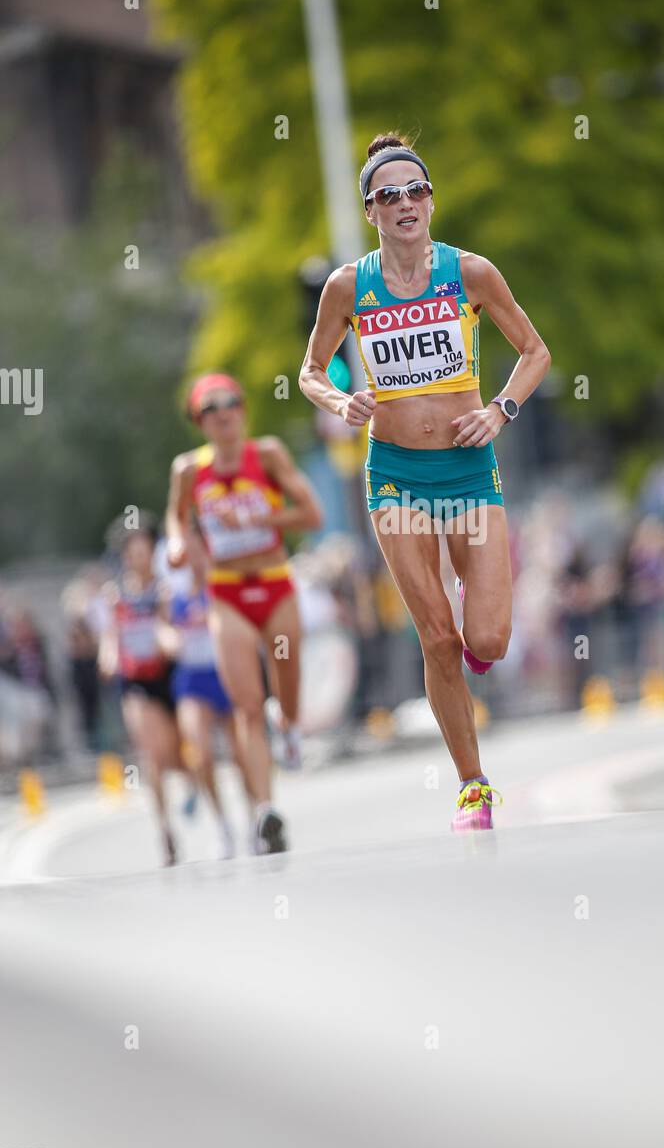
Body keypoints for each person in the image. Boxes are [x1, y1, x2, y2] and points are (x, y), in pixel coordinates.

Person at [299, 132, 550, 831]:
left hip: (470, 470)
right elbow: (310, 371)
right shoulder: (349, 287)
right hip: (397, 476)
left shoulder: (471, 273)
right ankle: (473, 786)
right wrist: (340, 401)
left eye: (416, 190)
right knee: (437, 638)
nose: (406, 202)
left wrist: (500, 410)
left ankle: (478, 611)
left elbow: (535, 352)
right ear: (371, 211)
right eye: (389, 195)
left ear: (431, 200)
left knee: (488, 641)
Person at [165, 373, 323, 855]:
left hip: (274, 583)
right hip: (227, 591)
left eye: (230, 402)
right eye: (210, 408)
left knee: (286, 687)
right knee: (248, 707)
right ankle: (264, 809)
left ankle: (291, 728)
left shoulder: (268, 454)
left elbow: (311, 515)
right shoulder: (189, 470)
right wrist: (176, 541)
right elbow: (176, 515)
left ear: (243, 409)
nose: (223, 413)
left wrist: (256, 518)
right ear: (199, 421)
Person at [160, 528, 259, 859]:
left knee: (239, 754)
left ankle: (252, 819)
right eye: (181, 550)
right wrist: (168, 639)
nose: (188, 556)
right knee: (200, 753)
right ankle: (221, 826)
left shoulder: (224, 583)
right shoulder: (171, 593)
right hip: (192, 679)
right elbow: (162, 627)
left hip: (226, 674)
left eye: (194, 548)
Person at [98, 515, 182, 866]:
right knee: (152, 754)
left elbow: (168, 626)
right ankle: (164, 828)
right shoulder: (115, 595)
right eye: (133, 553)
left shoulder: (163, 589)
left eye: (145, 551)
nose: (139, 558)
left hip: (169, 677)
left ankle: (192, 782)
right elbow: (110, 635)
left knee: (175, 753)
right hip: (135, 682)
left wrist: (168, 640)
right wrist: (107, 656)